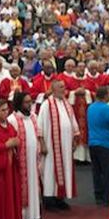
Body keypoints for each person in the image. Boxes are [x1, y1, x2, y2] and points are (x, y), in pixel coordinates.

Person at [35, 77, 78, 210]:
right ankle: (49, 199)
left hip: (65, 146)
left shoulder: (66, 103)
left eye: (64, 87)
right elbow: (39, 125)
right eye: (60, 87)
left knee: (65, 169)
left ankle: (60, 197)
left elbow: (72, 122)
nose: (63, 89)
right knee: (49, 171)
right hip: (51, 145)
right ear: (53, 89)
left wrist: (75, 139)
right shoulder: (47, 104)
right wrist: (42, 143)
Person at [86, 85, 109, 206]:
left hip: (93, 142)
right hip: (106, 144)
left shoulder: (90, 108)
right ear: (106, 96)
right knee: (108, 172)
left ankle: (98, 195)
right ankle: (108, 197)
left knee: (96, 170)